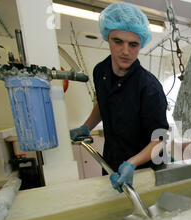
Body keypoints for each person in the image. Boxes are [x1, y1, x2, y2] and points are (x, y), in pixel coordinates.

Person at [70, 2, 169, 193]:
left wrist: (132, 163)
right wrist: (87, 126)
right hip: (112, 161)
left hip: (145, 167)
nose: (125, 51)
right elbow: (104, 101)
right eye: (118, 41)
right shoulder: (101, 71)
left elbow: (160, 140)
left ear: (141, 44)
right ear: (108, 38)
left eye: (133, 45)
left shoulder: (149, 88)